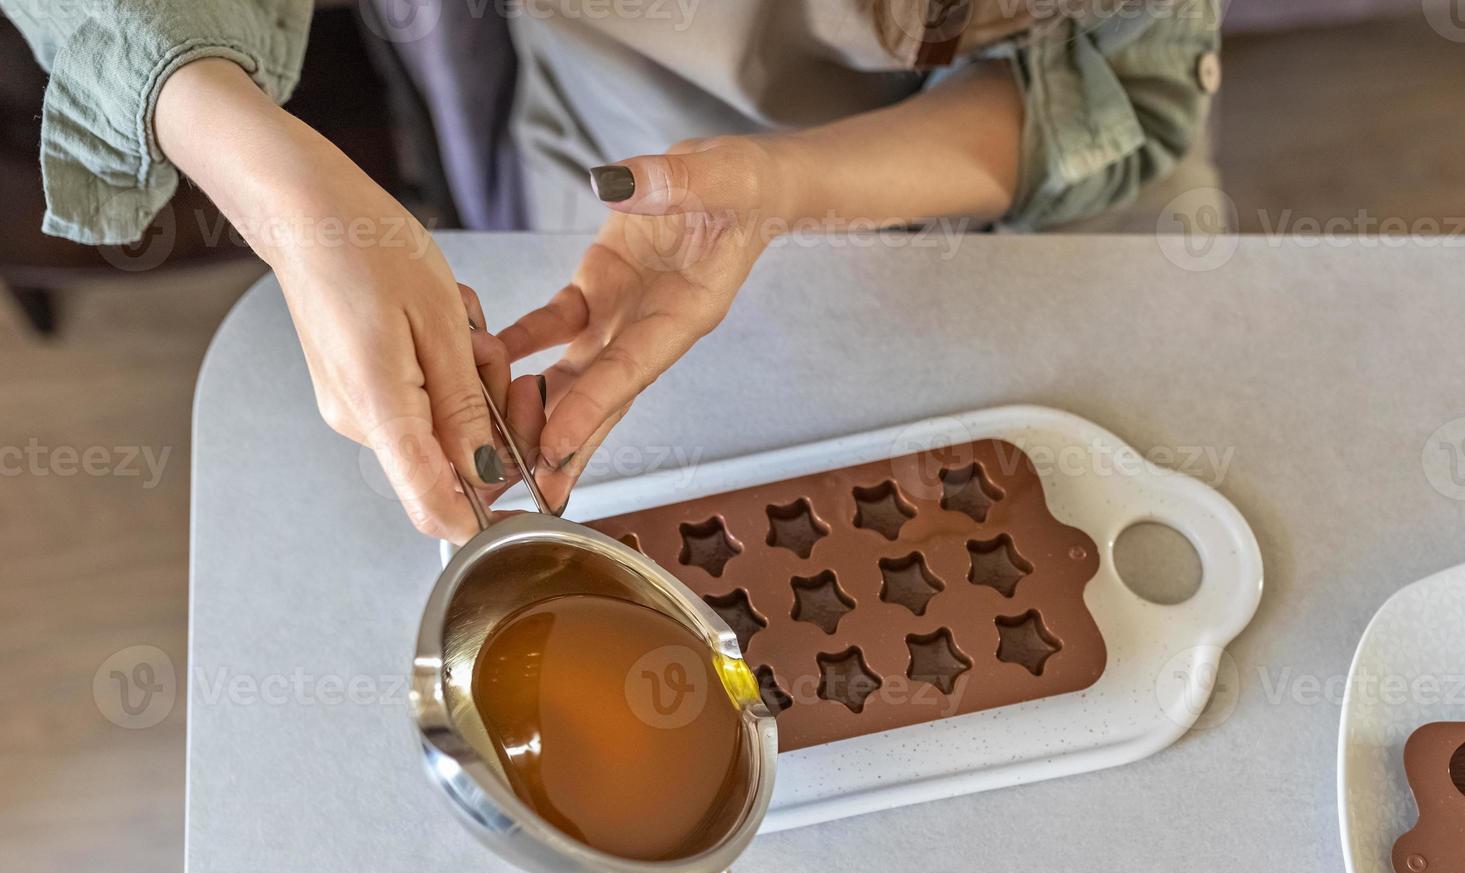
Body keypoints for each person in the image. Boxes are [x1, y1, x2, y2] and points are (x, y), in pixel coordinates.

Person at [3, 0, 1221, 542]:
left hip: (1036, 184)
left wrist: (786, 189)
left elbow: (1135, 86)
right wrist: (286, 196)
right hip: (618, 174)